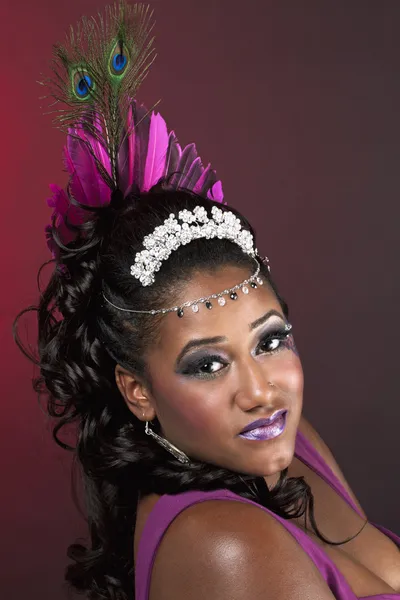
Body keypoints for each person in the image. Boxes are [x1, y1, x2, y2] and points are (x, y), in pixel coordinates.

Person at [14, 3, 400, 600]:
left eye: (270, 341)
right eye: (207, 364)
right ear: (137, 390)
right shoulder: (224, 546)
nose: (260, 390)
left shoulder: (287, 444)